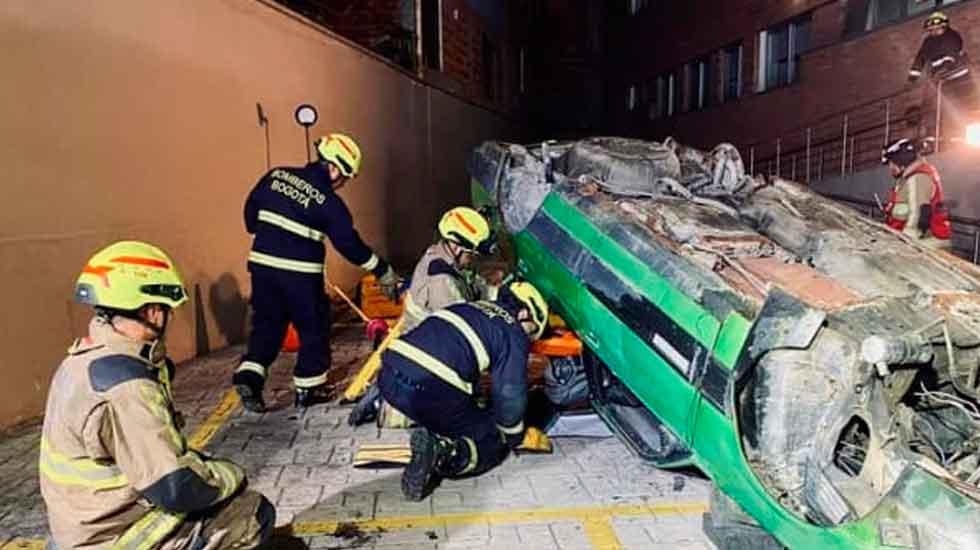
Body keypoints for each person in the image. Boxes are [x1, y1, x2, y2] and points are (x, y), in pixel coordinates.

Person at [41, 241, 274, 549]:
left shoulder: (83, 358)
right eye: (166, 308)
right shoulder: (127, 387)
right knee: (254, 514)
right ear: (152, 310)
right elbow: (173, 488)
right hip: (111, 535)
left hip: (81, 522)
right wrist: (230, 475)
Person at [234, 133, 400, 411]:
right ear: (334, 168)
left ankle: (249, 377)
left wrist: (264, 233)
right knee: (313, 328)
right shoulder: (329, 203)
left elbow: (250, 214)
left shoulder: (276, 176)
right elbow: (349, 244)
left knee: (267, 326)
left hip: (262, 267)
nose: (343, 184)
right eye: (345, 177)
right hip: (300, 275)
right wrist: (381, 269)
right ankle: (308, 389)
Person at [376, 280, 550, 501]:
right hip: (429, 391)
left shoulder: (470, 307)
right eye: (533, 330)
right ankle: (442, 451)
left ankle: (403, 415)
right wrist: (514, 436)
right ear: (524, 313)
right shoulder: (513, 331)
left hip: (388, 377)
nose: (529, 339)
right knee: (491, 438)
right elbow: (509, 394)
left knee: (462, 407)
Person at [347, 207, 498, 427]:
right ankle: (385, 403)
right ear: (456, 246)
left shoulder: (441, 256)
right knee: (457, 410)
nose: (473, 259)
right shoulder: (441, 282)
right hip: (423, 362)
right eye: (471, 253)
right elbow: (465, 332)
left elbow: (473, 286)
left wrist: (502, 294)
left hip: (423, 347)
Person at [881, 138, 952, 249]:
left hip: (929, 242)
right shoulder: (908, 179)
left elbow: (916, 217)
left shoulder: (918, 178)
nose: (890, 168)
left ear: (901, 160)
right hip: (921, 239)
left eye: (891, 163)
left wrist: (902, 246)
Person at [909, 11, 969, 83]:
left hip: (959, 72)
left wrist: (946, 66)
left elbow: (951, 52)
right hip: (942, 78)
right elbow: (920, 58)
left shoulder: (951, 36)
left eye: (937, 28)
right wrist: (913, 77)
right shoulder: (928, 42)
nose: (934, 31)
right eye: (931, 30)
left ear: (944, 26)